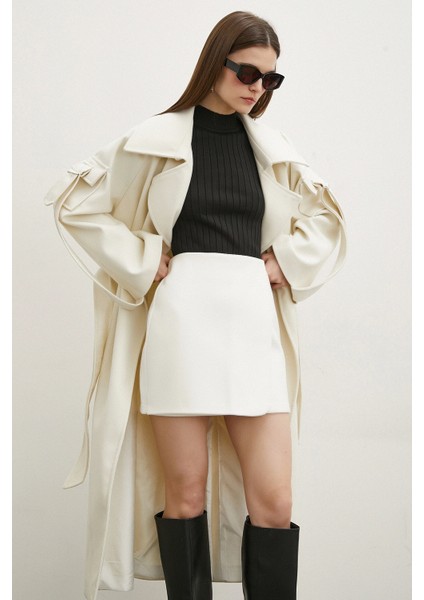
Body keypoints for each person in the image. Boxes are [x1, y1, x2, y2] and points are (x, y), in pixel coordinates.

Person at [45, 10, 347, 600]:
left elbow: (327, 220)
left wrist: (283, 262)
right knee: (184, 497)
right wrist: (141, 258)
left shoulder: (273, 149)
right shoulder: (156, 139)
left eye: (270, 79)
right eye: (246, 71)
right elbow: (75, 201)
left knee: (275, 501)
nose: (257, 87)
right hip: (181, 328)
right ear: (215, 62)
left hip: (252, 327)